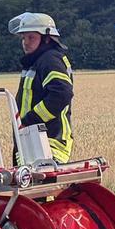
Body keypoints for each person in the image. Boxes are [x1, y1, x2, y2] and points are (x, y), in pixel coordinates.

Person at [10, 12, 74, 163]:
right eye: (23, 38)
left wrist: (30, 120)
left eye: (31, 37)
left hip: (48, 143)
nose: (25, 42)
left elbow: (62, 94)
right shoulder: (35, 61)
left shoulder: (49, 60)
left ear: (46, 38)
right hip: (33, 143)